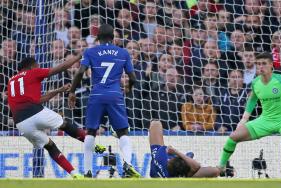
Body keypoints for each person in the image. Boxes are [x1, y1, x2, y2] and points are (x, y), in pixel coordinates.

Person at [6, 56, 105, 179]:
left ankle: (75, 175)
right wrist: (80, 56)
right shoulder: (32, 72)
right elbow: (60, 68)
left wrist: (59, 90)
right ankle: (93, 145)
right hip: (35, 112)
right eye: (37, 65)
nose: (39, 67)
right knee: (64, 124)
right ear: (31, 66)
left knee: (50, 146)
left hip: (21, 123)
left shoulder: (11, 82)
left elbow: (39, 100)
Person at [68, 24, 140, 178]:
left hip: (96, 95)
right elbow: (133, 78)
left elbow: (81, 71)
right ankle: (128, 165)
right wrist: (128, 88)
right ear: (113, 38)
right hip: (115, 95)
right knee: (123, 132)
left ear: (97, 38)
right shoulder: (123, 52)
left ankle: (87, 172)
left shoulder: (90, 51)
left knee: (91, 132)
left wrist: (72, 91)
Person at [149, 120, 224, 178]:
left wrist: (175, 152)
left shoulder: (161, 155)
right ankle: (224, 170)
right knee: (215, 171)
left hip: (156, 171)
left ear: (169, 160)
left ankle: (223, 170)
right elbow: (196, 166)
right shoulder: (186, 175)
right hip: (176, 177)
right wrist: (176, 152)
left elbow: (195, 166)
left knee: (155, 123)